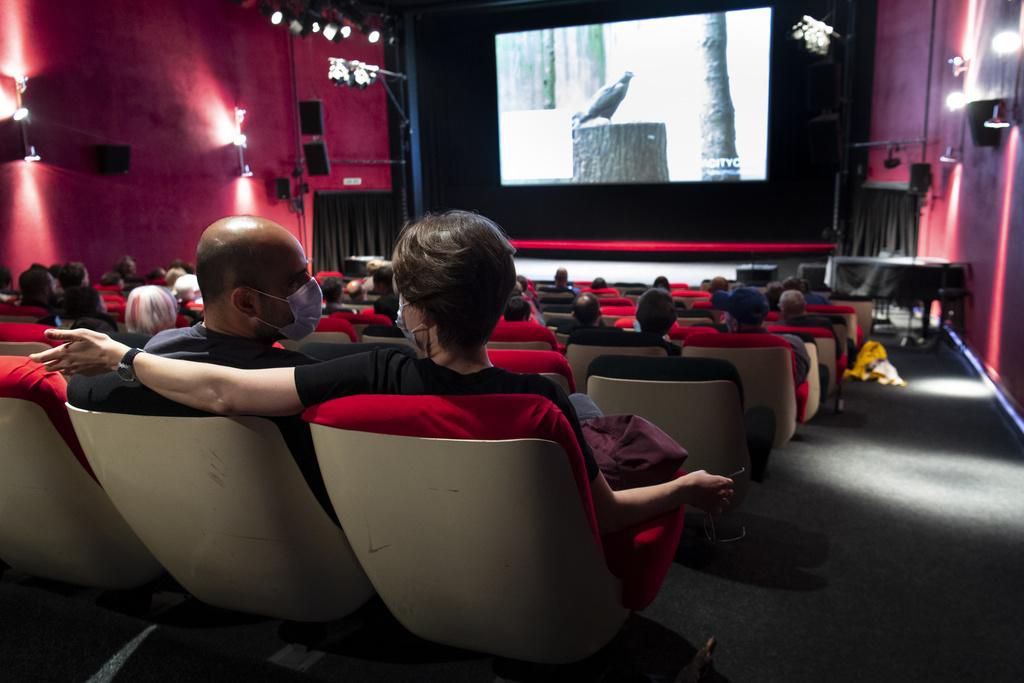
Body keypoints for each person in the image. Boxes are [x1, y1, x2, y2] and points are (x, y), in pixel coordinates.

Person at [35, 210, 733, 534]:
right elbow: (606, 514)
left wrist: (123, 355)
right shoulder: (540, 397)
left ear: (415, 306)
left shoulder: (366, 370)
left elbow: (222, 388)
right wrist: (684, 488)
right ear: (502, 301)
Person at [142, 216, 319, 369]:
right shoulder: (298, 379)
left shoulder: (156, 352)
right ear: (246, 303)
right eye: (295, 283)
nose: (311, 288)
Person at [712, 287, 810, 386]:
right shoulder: (794, 345)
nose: (724, 316)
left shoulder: (711, 348)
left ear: (734, 323)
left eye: (726, 312)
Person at [635, 288, 682, 356]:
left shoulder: (622, 345)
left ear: (638, 316)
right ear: (672, 321)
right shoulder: (677, 352)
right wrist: (667, 344)